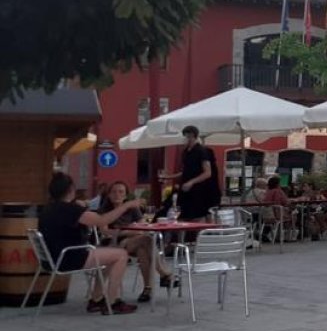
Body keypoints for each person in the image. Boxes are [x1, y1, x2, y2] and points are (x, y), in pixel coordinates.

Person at [39, 172, 140, 314]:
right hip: (70, 257)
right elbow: (102, 221)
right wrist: (126, 206)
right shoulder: (70, 210)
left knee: (110, 255)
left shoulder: (48, 209)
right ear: (71, 190)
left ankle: (96, 300)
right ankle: (112, 303)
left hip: (53, 258)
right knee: (121, 255)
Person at [97, 181, 174, 303]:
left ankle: (148, 289)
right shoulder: (105, 210)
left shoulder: (132, 209)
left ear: (125, 195)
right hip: (114, 243)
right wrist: (126, 231)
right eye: (114, 192)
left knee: (143, 250)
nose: (117, 194)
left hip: (134, 241)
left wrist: (136, 229)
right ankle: (164, 274)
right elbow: (105, 231)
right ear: (109, 195)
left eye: (121, 191)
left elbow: (143, 224)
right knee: (147, 240)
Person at [160, 125, 221, 221]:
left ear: (192, 136)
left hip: (198, 191)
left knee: (196, 217)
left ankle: (197, 234)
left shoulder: (202, 151)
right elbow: (185, 172)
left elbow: (208, 173)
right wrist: (169, 177)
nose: (183, 140)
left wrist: (191, 182)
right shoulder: (186, 152)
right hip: (185, 189)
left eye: (185, 137)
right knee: (179, 214)